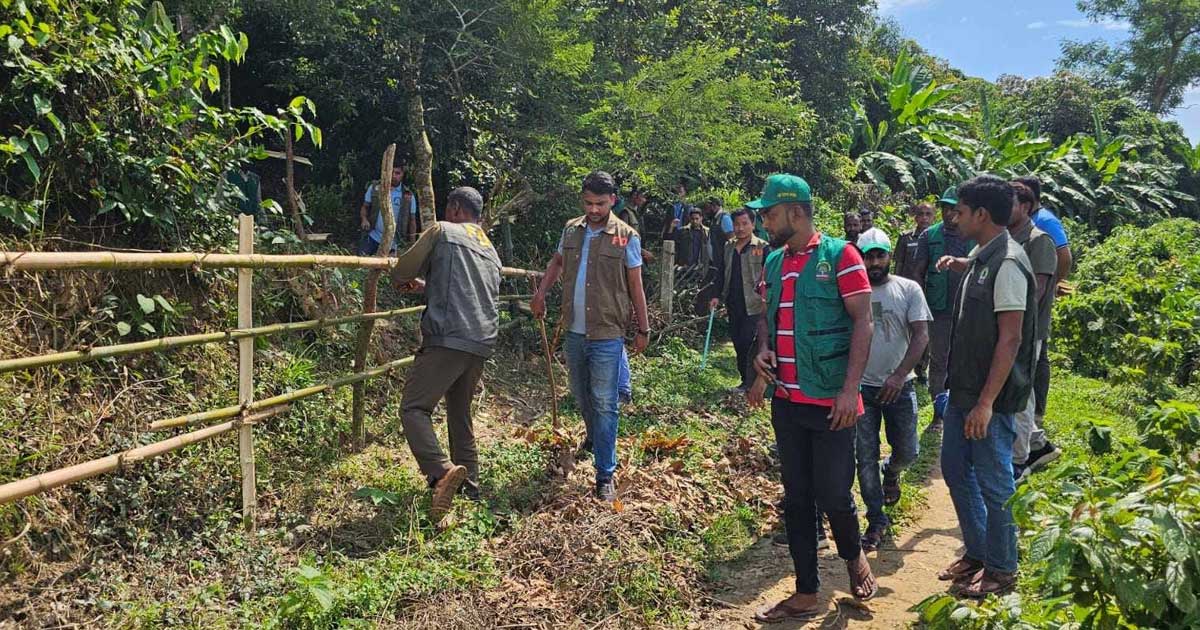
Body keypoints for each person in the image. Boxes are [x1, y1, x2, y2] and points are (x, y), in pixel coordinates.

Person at [746, 173, 877, 622]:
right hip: (787, 401)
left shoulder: (841, 256)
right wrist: (763, 350)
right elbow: (767, 318)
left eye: (770, 212)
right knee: (797, 497)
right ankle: (806, 590)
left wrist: (849, 390)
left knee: (834, 493)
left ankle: (853, 553)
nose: (764, 220)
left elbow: (864, 323)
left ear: (796, 212)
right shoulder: (773, 262)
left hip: (831, 401)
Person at [933, 175, 1036, 599]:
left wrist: (987, 403)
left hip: (987, 400)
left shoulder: (1009, 262)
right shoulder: (983, 254)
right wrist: (960, 265)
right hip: (963, 392)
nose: (953, 218)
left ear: (981, 214)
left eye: (959, 211)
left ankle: (1001, 567)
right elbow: (976, 269)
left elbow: (1010, 338)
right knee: (957, 471)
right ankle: (977, 552)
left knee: (995, 483)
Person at [531, 171, 650, 501]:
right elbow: (557, 262)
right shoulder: (572, 229)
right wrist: (541, 293)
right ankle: (595, 436)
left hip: (607, 333)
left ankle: (604, 474)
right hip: (574, 330)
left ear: (612, 200)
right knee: (582, 396)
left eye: (600, 203)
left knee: (604, 402)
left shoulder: (626, 236)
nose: (593, 209)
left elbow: (636, 285)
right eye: (587, 203)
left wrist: (643, 328)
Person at [390, 187, 501, 523]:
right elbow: (467, 288)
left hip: (448, 335)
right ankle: (471, 486)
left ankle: (441, 472)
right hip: (481, 340)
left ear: (454, 208)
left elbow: (401, 271)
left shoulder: (443, 230)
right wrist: (429, 286)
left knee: (413, 408)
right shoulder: (490, 249)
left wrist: (407, 279)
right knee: (459, 411)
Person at [856, 230, 931, 551]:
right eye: (868, 256)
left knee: (909, 451)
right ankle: (876, 520)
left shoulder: (908, 289)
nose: (874, 262)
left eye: (879, 256)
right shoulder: (851, 291)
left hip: (900, 386)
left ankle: (893, 472)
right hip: (861, 388)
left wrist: (900, 375)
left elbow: (921, 335)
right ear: (860, 258)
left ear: (889, 256)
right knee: (865, 457)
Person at [1013, 176, 1067, 471]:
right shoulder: (1013, 236)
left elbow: (1036, 292)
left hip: (1024, 328)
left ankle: (1022, 456)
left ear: (1026, 206)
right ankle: (1035, 443)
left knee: (1021, 386)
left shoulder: (1040, 235)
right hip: (1016, 328)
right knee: (1021, 385)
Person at [916, 187, 975, 426]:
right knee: (939, 360)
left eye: (954, 208)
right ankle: (940, 412)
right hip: (938, 309)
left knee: (965, 359)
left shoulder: (973, 236)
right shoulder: (929, 236)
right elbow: (917, 273)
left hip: (968, 310)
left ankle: (962, 408)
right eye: (945, 208)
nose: (949, 213)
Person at [708, 209, 768, 392]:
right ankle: (745, 380)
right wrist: (716, 295)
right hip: (734, 303)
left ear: (752, 224)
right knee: (737, 342)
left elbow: (769, 276)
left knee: (749, 342)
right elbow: (720, 272)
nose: (740, 228)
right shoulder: (728, 247)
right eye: (737, 224)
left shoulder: (763, 247)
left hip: (755, 304)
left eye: (745, 224)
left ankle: (755, 382)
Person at [359, 165, 418, 255]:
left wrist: (412, 244)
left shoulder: (408, 196)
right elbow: (365, 206)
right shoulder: (375, 188)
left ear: (402, 175)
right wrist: (364, 219)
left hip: (394, 242)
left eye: (397, 173)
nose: (394, 176)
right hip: (373, 236)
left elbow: (412, 221)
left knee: (387, 268)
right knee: (361, 262)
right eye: (391, 172)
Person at [893, 202, 935, 282]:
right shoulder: (905, 237)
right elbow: (899, 265)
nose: (924, 217)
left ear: (934, 218)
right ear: (916, 218)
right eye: (921, 214)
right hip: (909, 287)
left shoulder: (939, 238)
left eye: (928, 214)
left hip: (931, 288)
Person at [677, 207, 712, 271]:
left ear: (701, 218)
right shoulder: (683, 231)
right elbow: (676, 248)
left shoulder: (707, 232)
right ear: (689, 219)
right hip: (685, 266)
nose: (695, 221)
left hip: (700, 266)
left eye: (697, 219)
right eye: (692, 219)